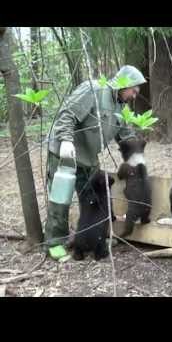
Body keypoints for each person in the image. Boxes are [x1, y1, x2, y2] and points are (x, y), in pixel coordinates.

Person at [44, 65, 147, 257]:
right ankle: (55, 243)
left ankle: (91, 237)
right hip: (66, 153)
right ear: (124, 84)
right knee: (61, 198)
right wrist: (66, 140)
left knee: (95, 198)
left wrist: (138, 161)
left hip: (89, 158)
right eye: (133, 91)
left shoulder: (120, 107)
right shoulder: (94, 90)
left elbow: (125, 136)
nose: (134, 96)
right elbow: (67, 114)